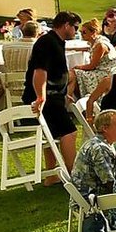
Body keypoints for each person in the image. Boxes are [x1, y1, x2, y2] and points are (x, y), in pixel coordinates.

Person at [26, 10, 81, 175]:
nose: (76, 31)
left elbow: (54, 72)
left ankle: (52, 175)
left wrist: (63, 92)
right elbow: (40, 71)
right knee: (69, 132)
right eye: (75, 28)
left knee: (52, 134)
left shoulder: (56, 41)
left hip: (54, 95)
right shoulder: (47, 42)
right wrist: (41, 96)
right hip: (47, 97)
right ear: (66, 25)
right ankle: (73, 174)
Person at [70, 108, 116, 197]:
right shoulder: (100, 148)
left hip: (91, 194)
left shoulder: (101, 142)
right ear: (105, 128)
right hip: (93, 198)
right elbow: (109, 182)